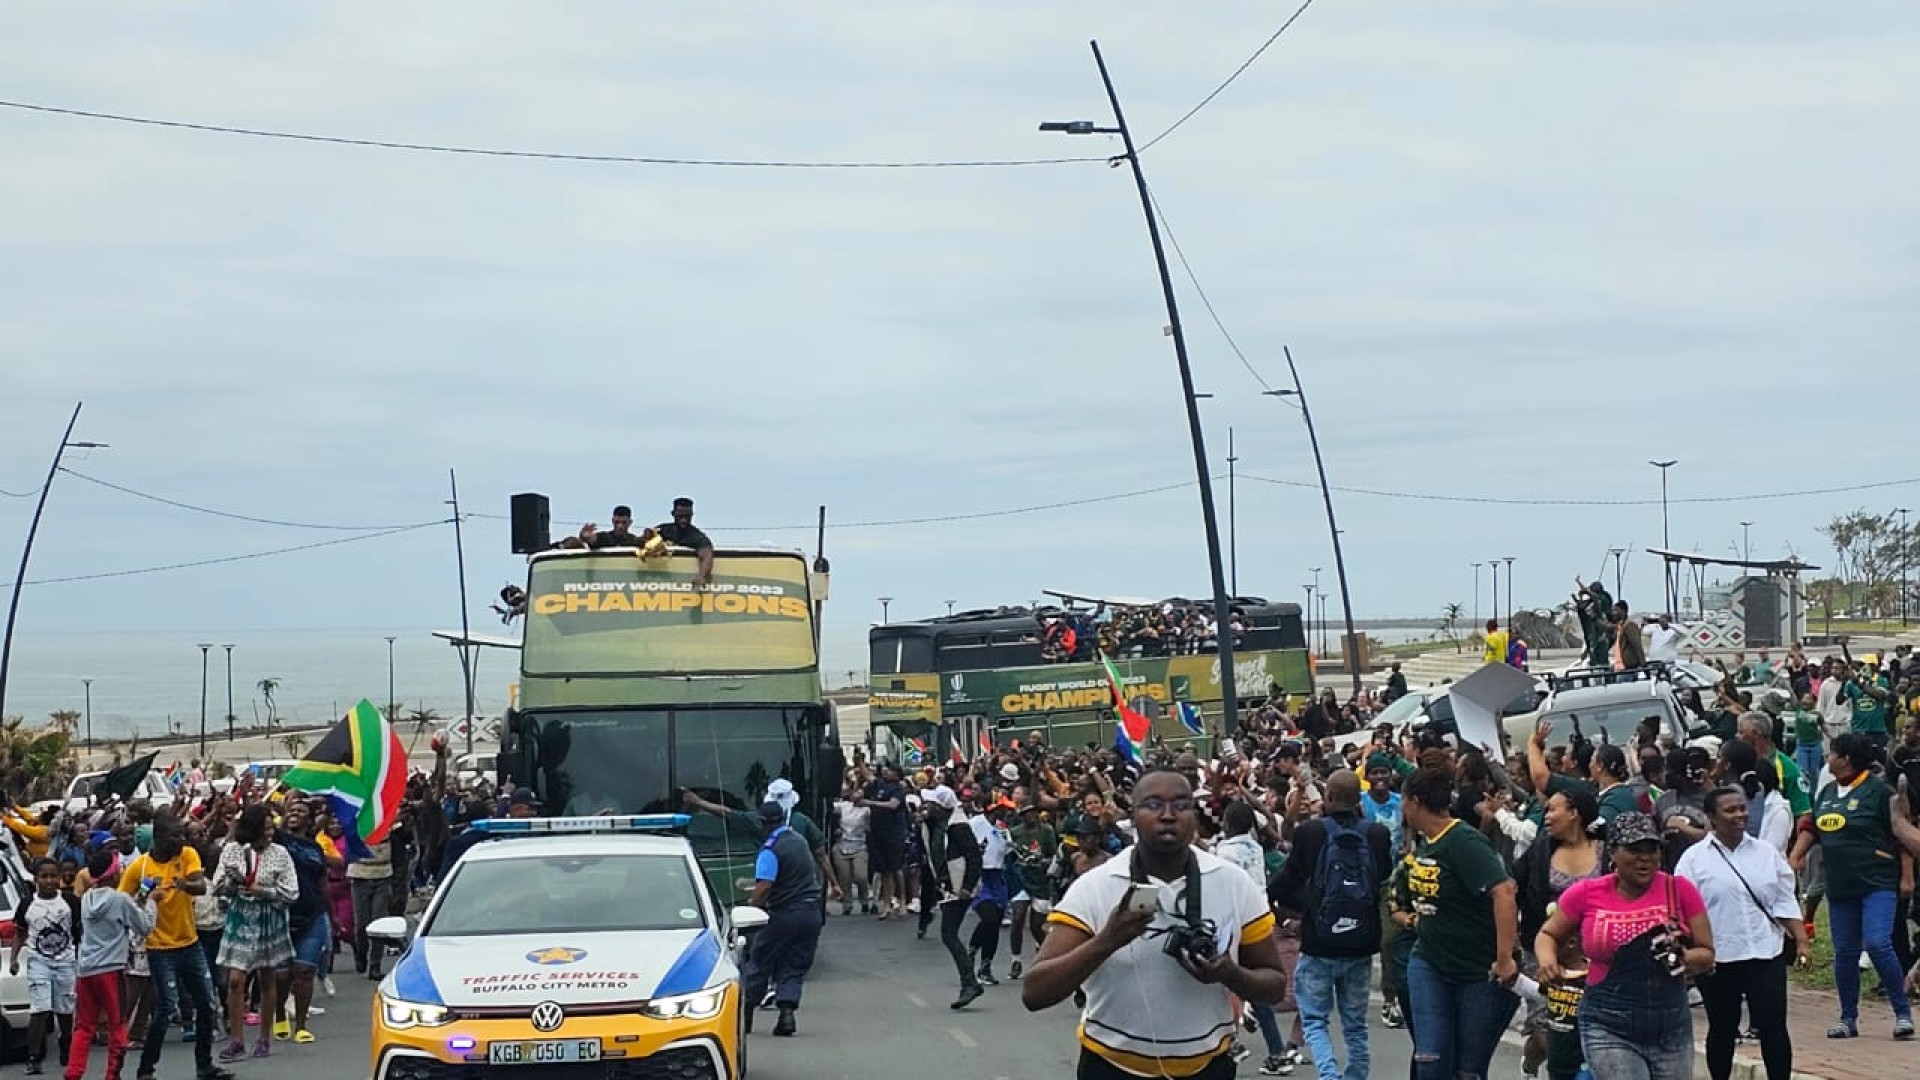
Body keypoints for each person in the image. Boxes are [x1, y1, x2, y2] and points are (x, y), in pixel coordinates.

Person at [1022, 768, 1287, 1080]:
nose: (1168, 815)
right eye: (1152, 804)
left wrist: (1231, 974)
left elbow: (1274, 986)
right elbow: (1035, 992)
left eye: (1181, 804)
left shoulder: (1232, 882)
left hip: (1208, 1067)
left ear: (1195, 814)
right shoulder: (1096, 886)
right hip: (1112, 1068)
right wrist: (1108, 939)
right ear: (1131, 816)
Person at [1536, 812, 1715, 1080]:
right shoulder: (1586, 893)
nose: (1644, 858)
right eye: (1634, 850)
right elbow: (1547, 934)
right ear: (1613, 854)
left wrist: (1683, 957)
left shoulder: (1679, 890)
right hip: (1608, 1023)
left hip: (1670, 1025)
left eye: (1651, 849)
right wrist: (1548, 961)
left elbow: (1707, 953)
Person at [1675, 786, 1808, 1080]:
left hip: (1765, 952)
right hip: (1719, 957)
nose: (1739, 815)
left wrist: (1801, 940)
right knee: (1723, 1026)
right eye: (1730, 810)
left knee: (1773, 1026)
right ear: (1711, 817)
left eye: (1742, 808)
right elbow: (1683, 909)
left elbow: (1783, 900)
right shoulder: (1693, 860)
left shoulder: (1766, 854)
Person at [1788, 732, 1915, 1039]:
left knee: (1877, 942)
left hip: (1877, 881)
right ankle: (1848, 1018)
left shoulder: (1879, 792)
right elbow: (1813, 827)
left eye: (1832, 754)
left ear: (1845, 759)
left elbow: (1901, 835)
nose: (1828, 759)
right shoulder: (1829, 791)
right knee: (1844, 951)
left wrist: (1906, 876)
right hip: (1841, 885)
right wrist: (1795, 857)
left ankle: (1902, 1012)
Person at [1267, 770, 1392, 1080]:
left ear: (1329, 798)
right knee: (1355, 1023)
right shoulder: (1376, 834)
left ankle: (1328, 1074)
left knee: (1314, 1019)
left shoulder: (1311, 833)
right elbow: (1383, 878)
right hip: (1361, 943)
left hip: (1319, 941)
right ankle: (1356, 1075)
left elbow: (1284, 883)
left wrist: (1300, 911)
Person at [122, 810, 233, 1080]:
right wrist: (146, 897)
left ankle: (204, 1065)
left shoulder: (187, 855)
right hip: (160, 948)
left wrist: (185, 884)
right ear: (158, 837)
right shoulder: (142, 868)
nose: (180, 841)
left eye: (182, 835)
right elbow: (123, 901)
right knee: (166, 1008)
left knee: (207, 1005)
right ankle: (145, 1070)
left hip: (190, 943)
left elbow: (200, 886)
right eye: (174, 836)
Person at [1515, 788, 1605, 1080]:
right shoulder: (1541, 849)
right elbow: (1513, 887)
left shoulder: (1605, 850)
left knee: (1576, 1029)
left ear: (1574, 813)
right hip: (1543, 951)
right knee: (1548, 1031)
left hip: (1589, 954)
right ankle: (1532, 1062)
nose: (1547, 817)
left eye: (1553, 810)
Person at [213, 803, 298, 1063]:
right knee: (236, 979)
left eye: (272, 828)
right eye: (265, 829)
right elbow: (216, 887)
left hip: (268, 919)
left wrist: (264, 891)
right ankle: (236, 1040)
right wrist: (232, 881)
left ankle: (263, 1037)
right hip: (240, 918)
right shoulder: (231, 851)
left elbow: (292, 893)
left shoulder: (280, 854)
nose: (270, 833)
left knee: (267, 977)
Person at [67, 847, 154, 1080]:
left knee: (84, 1027)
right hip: (111, 970)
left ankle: (73, 1073)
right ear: (114, 874)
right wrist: (151, 901)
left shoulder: (86, 899)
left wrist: (142, 894)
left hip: (86, 970)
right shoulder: (120, 899)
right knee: (117, 1024)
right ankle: (112, 1074)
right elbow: (144, 926)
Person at [743, 800, 822, 1037]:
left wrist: (750, 905)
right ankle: (786, 1014)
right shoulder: (799, 841)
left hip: (784, 914)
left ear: (762, 823)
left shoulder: (771, 848)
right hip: (811, 914)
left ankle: (745, 1012)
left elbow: (765, 886)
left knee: (760, 962)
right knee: (794, 964)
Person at [917, 784, 985, 1009]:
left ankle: (970, 982)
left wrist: (968, 885)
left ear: (941, 807)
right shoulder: (937, 824)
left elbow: (974, 856)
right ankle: (969, 982)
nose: (927, 807)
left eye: (931, 804)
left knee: (949, 934)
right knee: (949, 934)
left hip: (958, 886)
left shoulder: (958, 827)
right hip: (946, 886)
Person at [11, 858, 80, 1076]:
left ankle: (66, 1043)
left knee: (65, 1009)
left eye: (53, 876)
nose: (49, 881)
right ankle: (33, 1056)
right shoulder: (27, 903)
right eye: (44, 876)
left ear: (59, 878)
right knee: (39, 1010)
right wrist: (14, 958)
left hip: (66, 961)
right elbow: (20, 932)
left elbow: (79, 931)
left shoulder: (69, 901)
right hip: (38, 962)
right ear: (36, 879)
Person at [655, 497, 715, 587]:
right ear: (673, 514)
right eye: (680, 516)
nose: (684, 520)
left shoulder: (696, 536)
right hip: (659, 579)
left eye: (687, 517)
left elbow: (706, 555)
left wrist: (701, 576)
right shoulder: (662, 530)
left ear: (692, 515)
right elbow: (644, 544)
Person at [579, 504, 647, 549]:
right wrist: (585, 536)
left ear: (630, 522)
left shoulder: (634, 541)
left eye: (624, 522)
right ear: (612, 521)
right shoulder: (604, 537)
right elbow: (591, 539)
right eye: (617, 522)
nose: (620, 526)